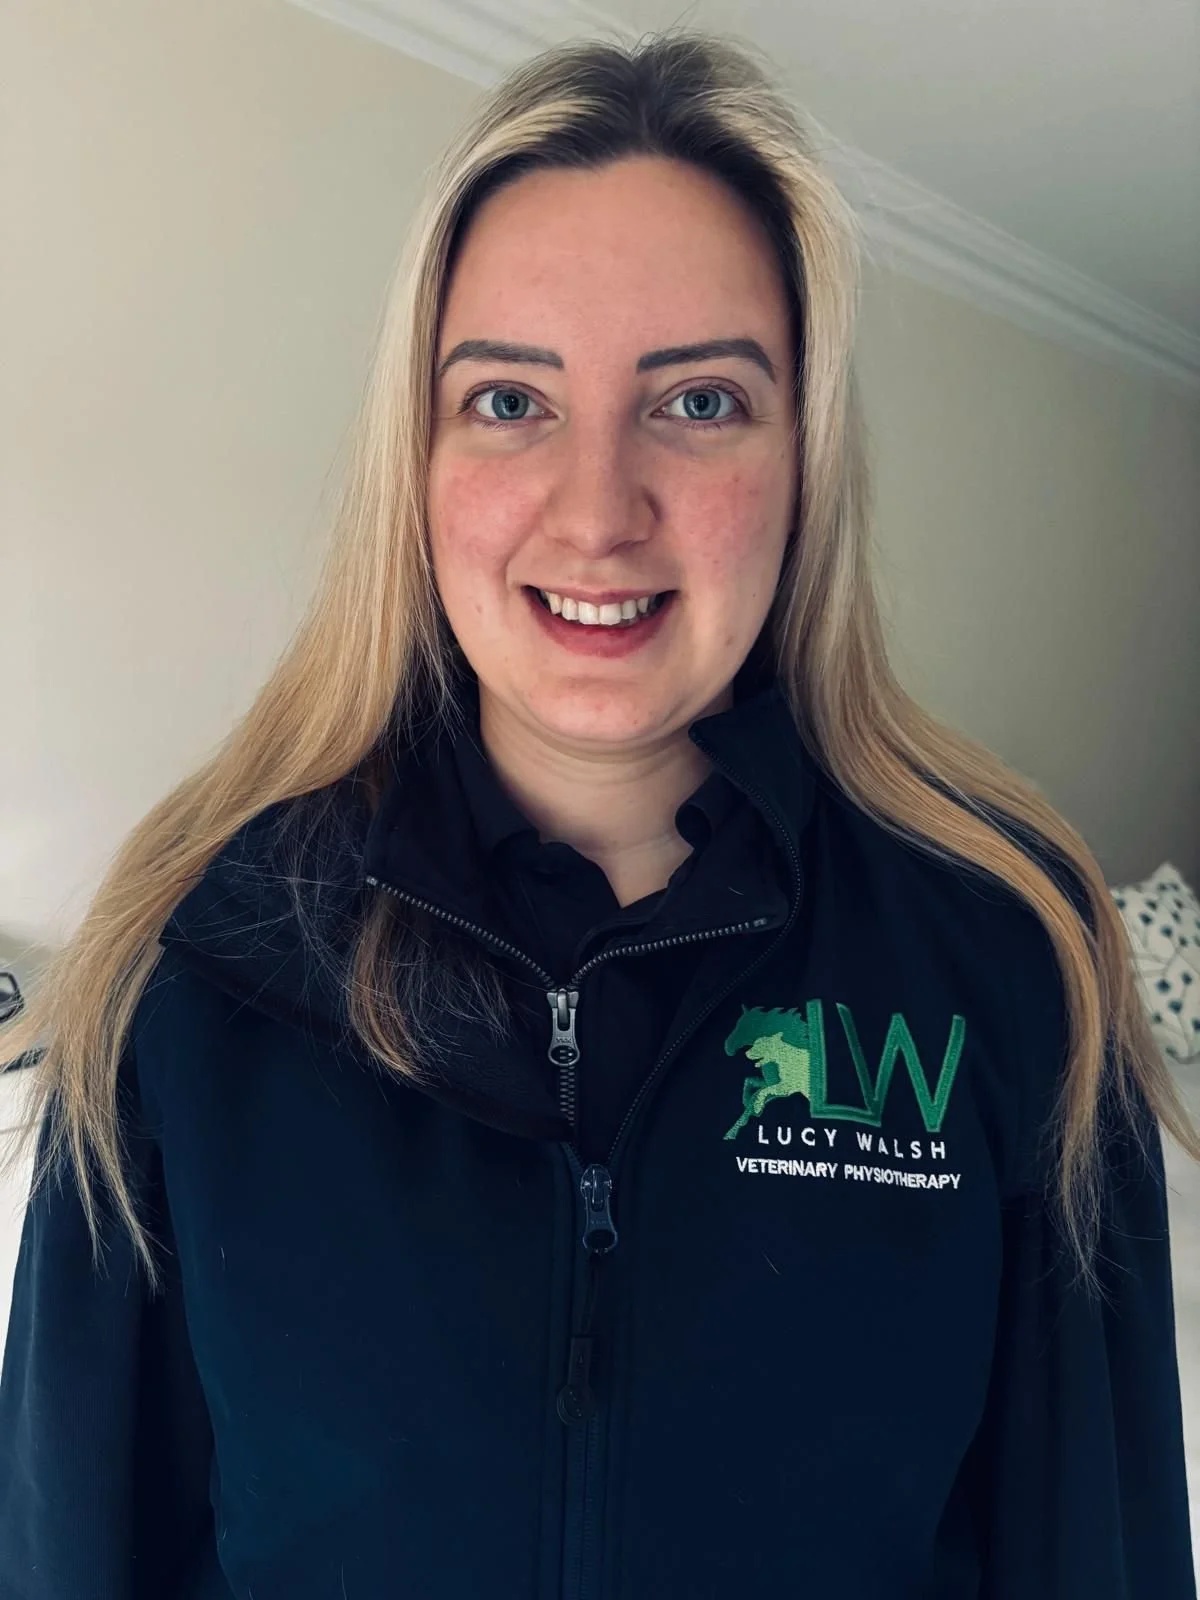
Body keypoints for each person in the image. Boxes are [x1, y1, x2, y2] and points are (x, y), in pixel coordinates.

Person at [0, 29, 1196, 1600]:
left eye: (700, 401)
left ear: (803, 464)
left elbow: (1094, 1556)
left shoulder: (1015, 948)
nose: (596, 509)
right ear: (415, 460)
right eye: (509, 400)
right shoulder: (199, 954)